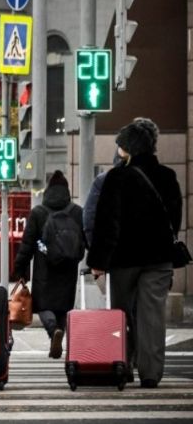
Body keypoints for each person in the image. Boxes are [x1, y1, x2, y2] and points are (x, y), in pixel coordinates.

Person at [88, 118, 182, 389]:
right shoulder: (167, 177)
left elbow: (107, 224)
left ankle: (124, 365)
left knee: (122, 314)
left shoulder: (116, 178)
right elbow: (174, 220)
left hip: (123, 260)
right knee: (152, 315)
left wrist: (98, 263)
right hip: (158, 258)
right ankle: (151, 373)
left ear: (126, 148)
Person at [13, 170, 84, 360]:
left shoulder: (39, 212)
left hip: (45, 268)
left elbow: (27, 245)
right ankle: (59, 332)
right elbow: (85, 239)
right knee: (63, 306)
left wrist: (20, 270)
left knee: (43, 305)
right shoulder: (77, 212)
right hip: (69, 270)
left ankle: (53, 332)